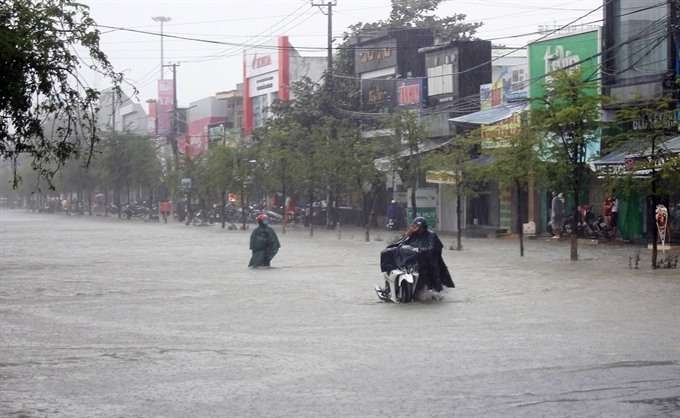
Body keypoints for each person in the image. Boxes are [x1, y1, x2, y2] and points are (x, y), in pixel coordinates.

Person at [380, 217, 455, 295]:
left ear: (423, 227)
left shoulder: (431, 235)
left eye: (418, 227)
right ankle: (389, 287)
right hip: (412, 261)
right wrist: (407, 235)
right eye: (414, 226)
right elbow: (400, 244)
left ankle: (432, 290)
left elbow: (432, 249)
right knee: (387, 253)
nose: (416, 229)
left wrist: (419, 250)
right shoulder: (412, 235)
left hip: (428, 262)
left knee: (430, 271)